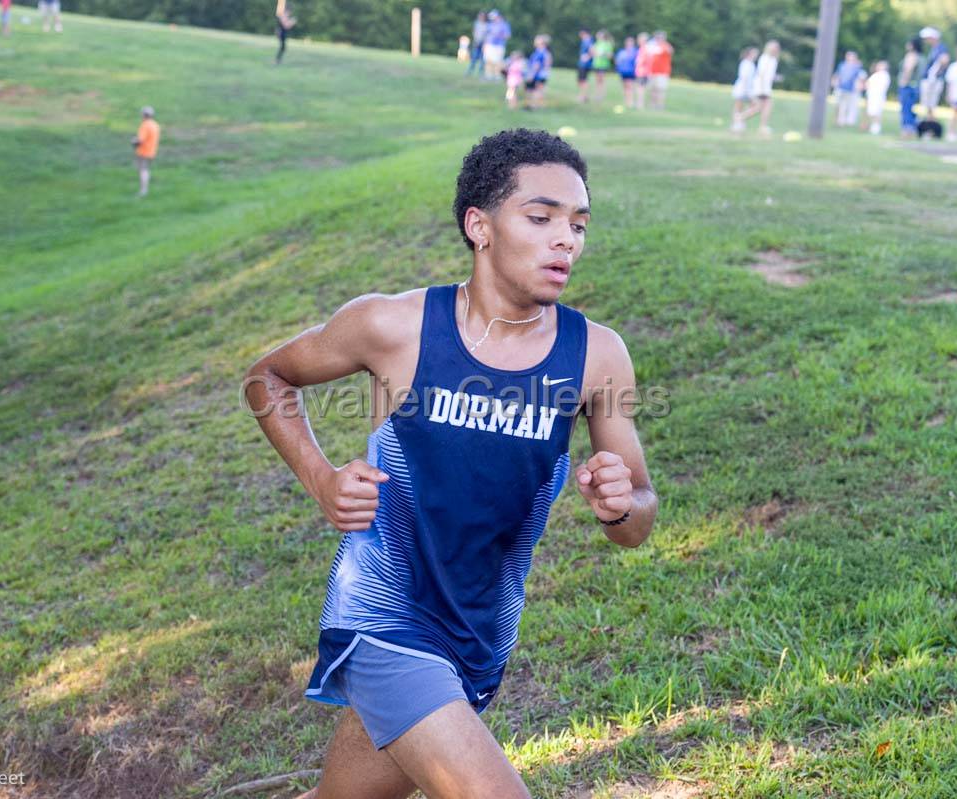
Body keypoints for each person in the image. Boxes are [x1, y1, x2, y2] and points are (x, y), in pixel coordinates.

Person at [241, 127, 657, 799]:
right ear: (480, 225)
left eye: (578, 224)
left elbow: (639, 516)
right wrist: (321, 479)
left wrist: (621, 505)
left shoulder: (597, 356)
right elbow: (268, 378)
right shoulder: (394, 327)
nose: (566, 240)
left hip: (477, 638)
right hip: (382, 614)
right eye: (541, 216)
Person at [740, 40, 780, 136]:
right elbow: (761, 74)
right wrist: (762, 88)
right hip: (761, 87)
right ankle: (740, 119)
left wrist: (776, 77)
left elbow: (769, 75)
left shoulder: (773, 60)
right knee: (760, 107)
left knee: (761, 107)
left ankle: (743, 120)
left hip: (765, 87)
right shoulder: (765, 58)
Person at [918, 27, 949, 122]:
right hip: (930, 79)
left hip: (933, 80)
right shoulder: (934, 49)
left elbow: (944, 60)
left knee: (931, 104)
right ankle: (929, 124)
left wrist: (935, 74)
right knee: (928, 105)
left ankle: (930, 125)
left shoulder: (940, 48)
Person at [831, 51, 866, 127]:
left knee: (851, 106)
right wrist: (834, 82)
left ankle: (849, 121)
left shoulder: (857, 67)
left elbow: (861, 77)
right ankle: (840, 120)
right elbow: (837, 75)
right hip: (841, 88)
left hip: (852, 90)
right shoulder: (842, 65)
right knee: (841, 105)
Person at [132, 106, 160, 197]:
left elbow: (140, 140)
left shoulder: (145, 125)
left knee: (143, 171)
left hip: (144, 152)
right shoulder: (155, 124)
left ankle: (143, 191)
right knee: (145, 169)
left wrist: (133, 141)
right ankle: (146, 185)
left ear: (144, 115)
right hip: (152, 151)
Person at [897, 37, 922, 137]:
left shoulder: (911, 56)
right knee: (909, 108)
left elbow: (908, 69)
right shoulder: (919, 56)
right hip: (914, 86)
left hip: (907, 86)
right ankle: (912, 128)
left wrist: (904, 82)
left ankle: (907, 131)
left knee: (906, 108)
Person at [644, 31, 674, 110]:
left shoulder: (666, 46)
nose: (659, 39)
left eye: (660, 38)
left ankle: (660, 105)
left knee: (660, 89)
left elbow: (670, 51)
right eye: (657, 38)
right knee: (653, 89)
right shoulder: (652, 46)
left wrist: (665, 46)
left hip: (663, 72)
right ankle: (652, 104)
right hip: (652, 71)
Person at [731, 47, 758, 132]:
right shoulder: (747, 63)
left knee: (739, 108)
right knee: (755, 106)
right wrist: (748, 91)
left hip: (745, 89)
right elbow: (745, 78)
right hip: (743, 89)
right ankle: (738, 122)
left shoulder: (750, 64)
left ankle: (738, 122)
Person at [523, 35, 553, 110]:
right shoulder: (546, 52)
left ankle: (533, 105)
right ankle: (539, 105)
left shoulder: (540, 52)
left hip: (538, 74)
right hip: (543, 74)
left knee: (535, 90)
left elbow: (537, 65)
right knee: (539, 90)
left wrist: (531, 75)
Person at [863, 60, 891, 135]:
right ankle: (872, 127)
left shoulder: (884, 75)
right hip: (872, 96)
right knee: (872, 112)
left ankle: (876, 128)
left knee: (876, 112)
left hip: (877, 96)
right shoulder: (876, 74)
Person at [482, 10, 511, 80]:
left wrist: (500, 36)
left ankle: (497, 76)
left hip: (499, 45)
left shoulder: (504, 24)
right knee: (488, 60)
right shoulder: (490, 24)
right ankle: (488, 75)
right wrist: (484, 44)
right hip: (489, 44)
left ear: (498, 16)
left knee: (498, 61)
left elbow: (507, 36)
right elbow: (486, 35)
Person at [590, 30, 614, 103]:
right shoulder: (596, 44)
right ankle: (596, 95)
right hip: (596, 64)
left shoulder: (607, 44)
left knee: (602, 80)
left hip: (603, 65)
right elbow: (592, 52)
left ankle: (601, 95)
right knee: (597, 80)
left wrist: (603, 54)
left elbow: (610, 55)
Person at [615, 36, 639, 109]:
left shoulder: (635, 51)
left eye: (631, 42)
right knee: (625, 87)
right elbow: (617, 61)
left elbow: (638, 61)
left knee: (630, 86)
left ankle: (630, 102)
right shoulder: (622, 51)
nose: (629, 43)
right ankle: (626, 101)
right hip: (623, 71)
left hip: (631, 71)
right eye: (628, 42)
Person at [466, 12, 487, 77]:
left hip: (483, 43)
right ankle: (470, 71)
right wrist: (475, 40)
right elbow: (474, 32)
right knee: (474, 57)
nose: (480, 17)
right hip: (477, 42)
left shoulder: (487, 25)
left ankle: (481, 72)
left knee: (483, 58)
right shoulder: (477, 23)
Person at [575, 30, 594, 103]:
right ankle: (583, 95)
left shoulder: (588, 41)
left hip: (585, 64)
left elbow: (593, 51)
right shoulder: (585, 41)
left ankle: (584, 96)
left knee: (583, 80)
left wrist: (588, 57)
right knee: (580, 80)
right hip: (582, 64)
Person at [633, 32, 650, 109]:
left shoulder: (644, 48)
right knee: (640, 88)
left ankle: (640, 104)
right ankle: (639, 103)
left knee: (640, 88)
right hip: (642, 71)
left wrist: (638, 61)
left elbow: (643, 60)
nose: (638, 40)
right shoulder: (643, 48)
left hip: (642, 72)